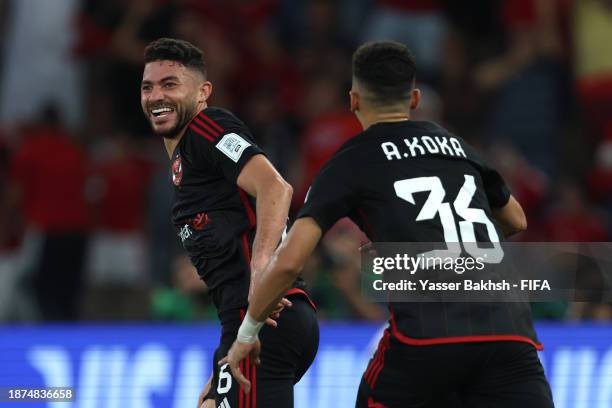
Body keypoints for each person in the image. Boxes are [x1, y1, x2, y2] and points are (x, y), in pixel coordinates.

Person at [222, 41, 554, 408]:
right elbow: (516, 219)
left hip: (429, 338)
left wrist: (248, 331)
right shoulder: (457, 146)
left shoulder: (352, 160)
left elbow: (288, 262)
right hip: (508, 330)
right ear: (413, 99)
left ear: (353, 100)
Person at [140, 38, 318, 408]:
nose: (156, 95)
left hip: (266, 321)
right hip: (244, 328)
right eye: (148, 87)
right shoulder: (182, 164)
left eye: (170, 84)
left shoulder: (207, 127)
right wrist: (221, 365)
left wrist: (263, 270)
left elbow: (275, 188)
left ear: (203, 92)